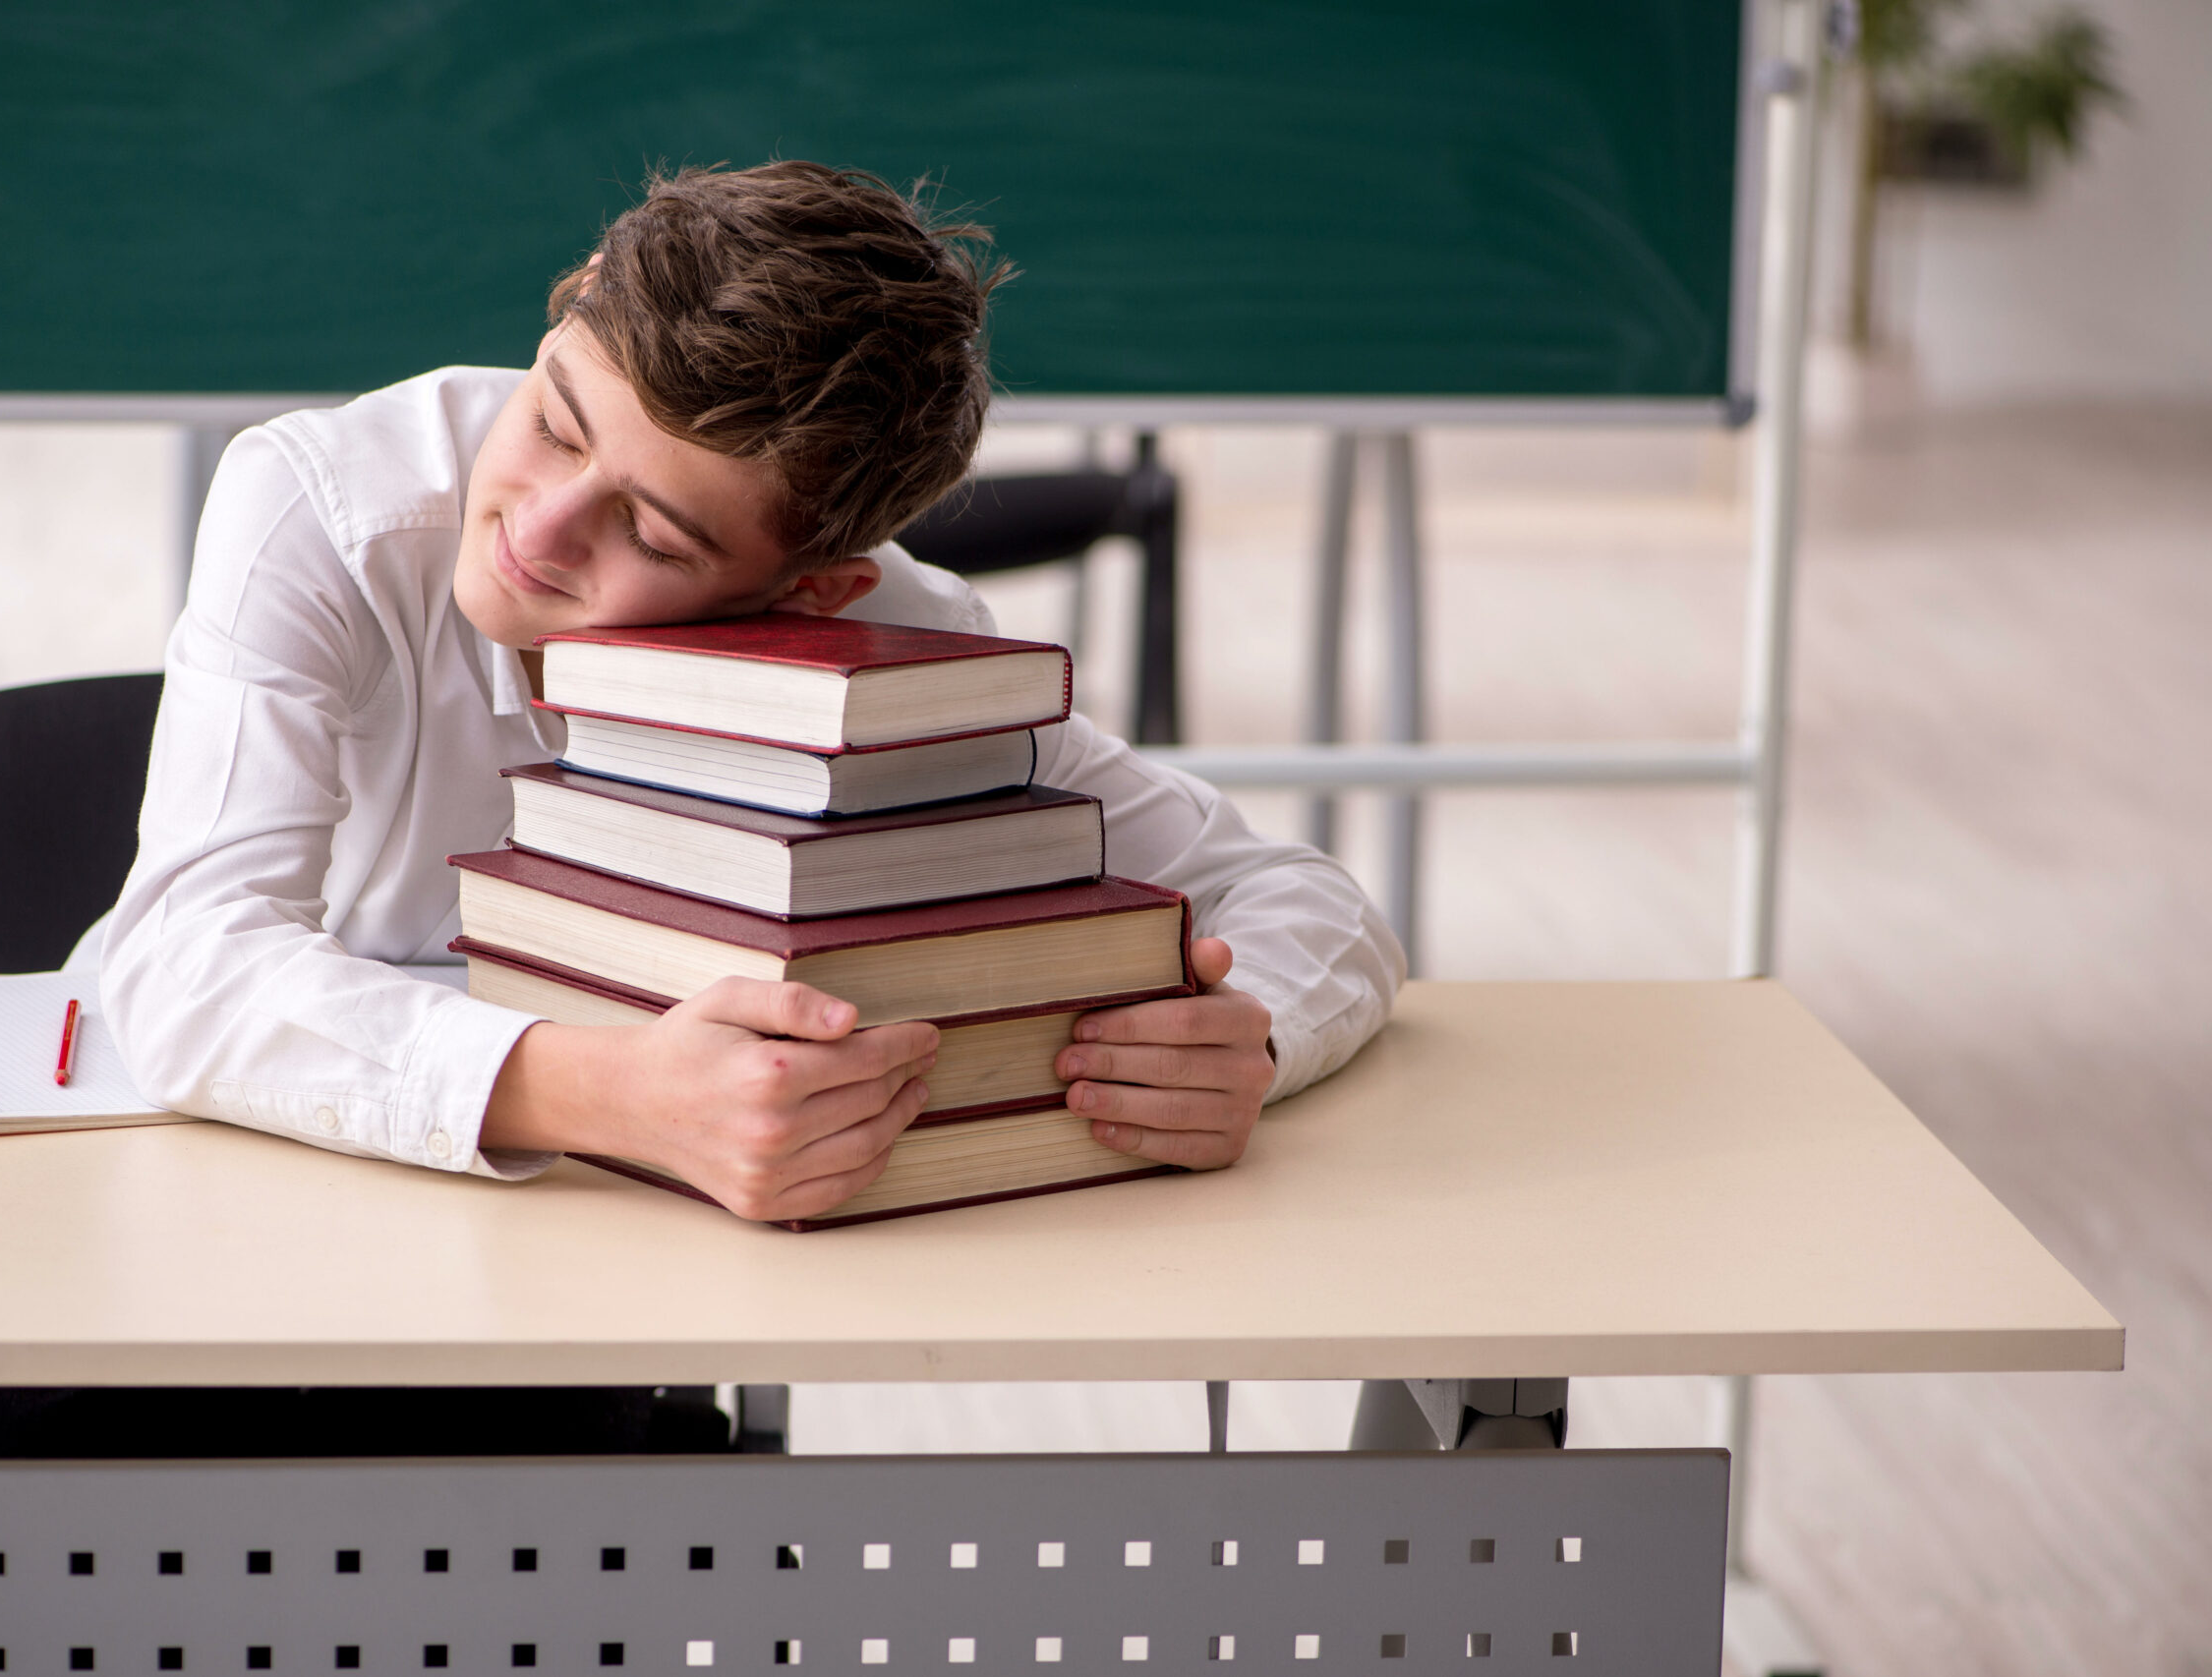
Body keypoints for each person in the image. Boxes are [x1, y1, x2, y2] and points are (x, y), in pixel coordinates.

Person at [99, 160, 1404, 1232]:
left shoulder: (901, 649)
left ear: (817, 589)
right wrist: (611, 1093)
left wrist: (1256, 1036)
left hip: (611, 1276)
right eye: (557, 419)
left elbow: (1308, 899)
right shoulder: (325, 507)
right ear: (573, 301)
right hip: (223, 1208)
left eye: (657, 539)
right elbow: (186, 965)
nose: (538, 530)